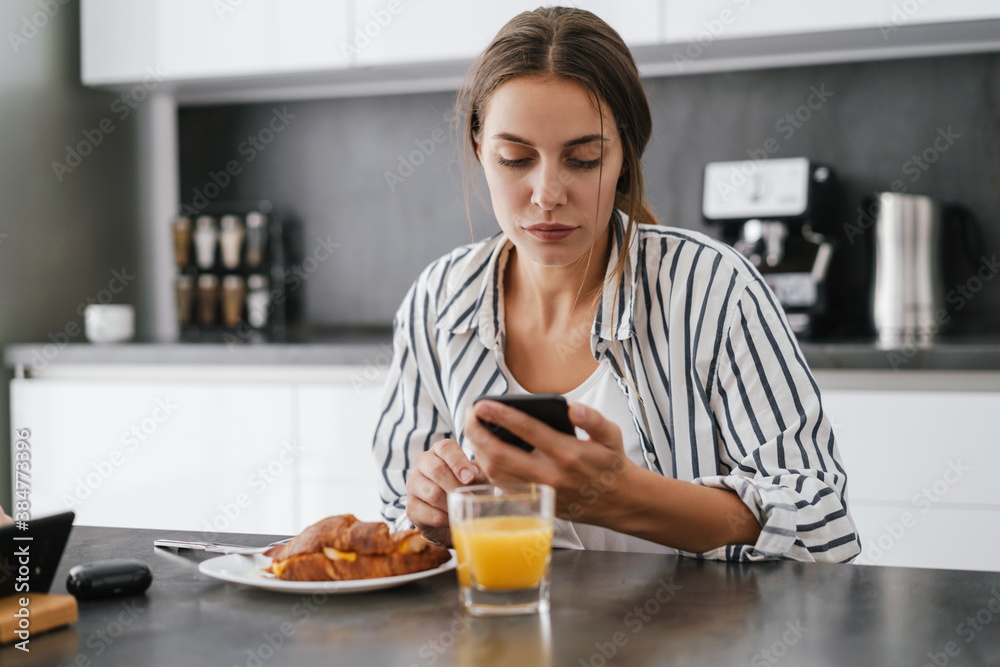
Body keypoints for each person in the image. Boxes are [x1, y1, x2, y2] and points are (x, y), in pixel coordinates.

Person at [372, 7, 860, 562]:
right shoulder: (437, 302)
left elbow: (826, 527)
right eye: (515, 159)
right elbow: (396, 517)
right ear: (480, 150)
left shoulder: (712, 290)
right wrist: (431, 515)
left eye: (583, 159)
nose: (548, 192)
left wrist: (623, 498)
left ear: (625, 157)